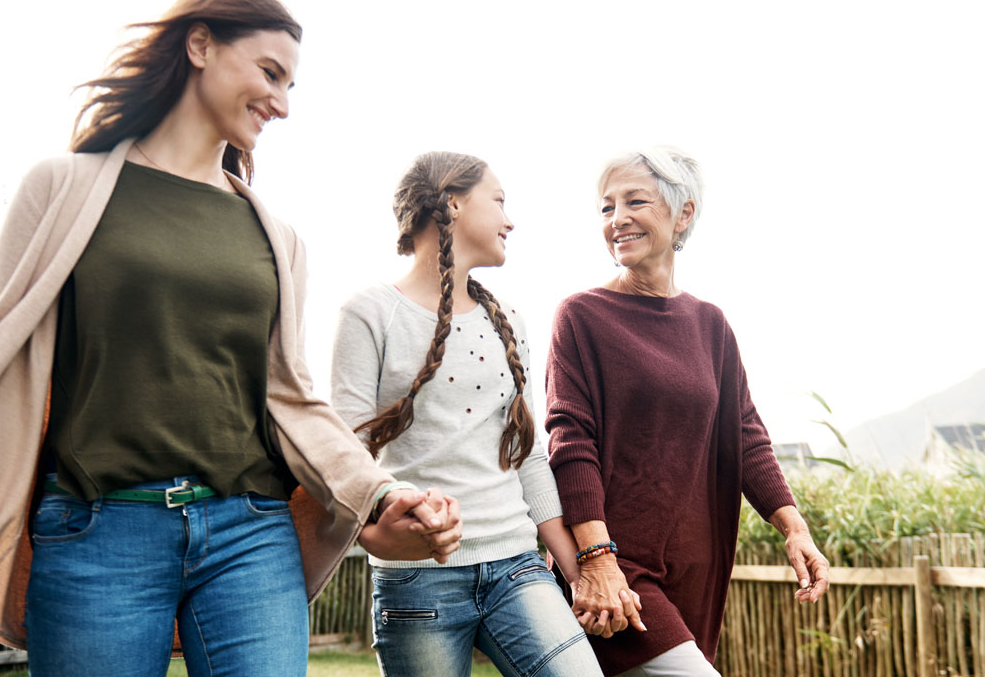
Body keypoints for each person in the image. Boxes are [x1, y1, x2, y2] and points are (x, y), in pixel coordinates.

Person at [0, 0, 460, 676]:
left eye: (292, 85)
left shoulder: (275, 234)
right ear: (199, 44)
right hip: (97, 533)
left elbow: (292, 398)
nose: (283, 104)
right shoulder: (62, 189)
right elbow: (0, 359)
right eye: (270, 73)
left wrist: (381, 492)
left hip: (250, 535)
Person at [546, 146, 832, 676]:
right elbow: (571, 443)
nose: (618, 219)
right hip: (619, 572)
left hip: (696, 572)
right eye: (606, 207)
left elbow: (746, 438)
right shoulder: (583, 317)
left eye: (635, 201)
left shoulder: (711, 325)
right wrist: (596, 560)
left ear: (684, 214)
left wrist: (795, 529)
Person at [330, 151, 603, 677]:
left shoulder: (511, 322)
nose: (510, 219)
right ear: (452, 203)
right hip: (416, 578)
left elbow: (527, 460)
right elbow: (346, 457)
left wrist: (577, 572)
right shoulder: (369, 314)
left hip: (517, 567)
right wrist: (373, 531)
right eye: (498, 200)